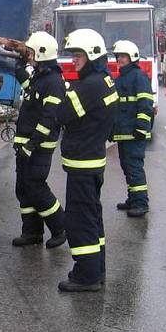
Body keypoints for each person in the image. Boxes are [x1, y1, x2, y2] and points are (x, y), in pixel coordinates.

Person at [56, 29, 118, 292]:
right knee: (92, 217)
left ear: (92, 55)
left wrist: (67, 92)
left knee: (80, 220)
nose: (73, 61)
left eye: (78, 55)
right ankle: (97, 268)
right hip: (93, 160)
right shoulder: (104, 81)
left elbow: (62, 113)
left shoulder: (90, 86)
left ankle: (85, 275)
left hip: (83, 163)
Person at [11, 31, 67, 249]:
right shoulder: (41, 77)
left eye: (31, 52)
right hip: (25, 144)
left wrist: (31, 145)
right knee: (22, 188)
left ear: (42, 54)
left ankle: (60, 227)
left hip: (39, 147)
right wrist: (19, 70)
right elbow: (31, 93)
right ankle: (32, 232)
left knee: (35, 187)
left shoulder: (54, 82)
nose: (29, 56)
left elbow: (48, 118)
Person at [111, 40, 154, 217]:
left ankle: (141, 203)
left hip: (134, 133)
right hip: (124, 133)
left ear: (132, 57)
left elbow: (146, 105)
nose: (119, 59)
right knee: (127, 167)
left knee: (134, 168)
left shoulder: (139, 76)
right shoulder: (121, 77)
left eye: (122, 56)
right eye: (118, 56)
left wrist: (141, 128)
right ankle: (133, 198)